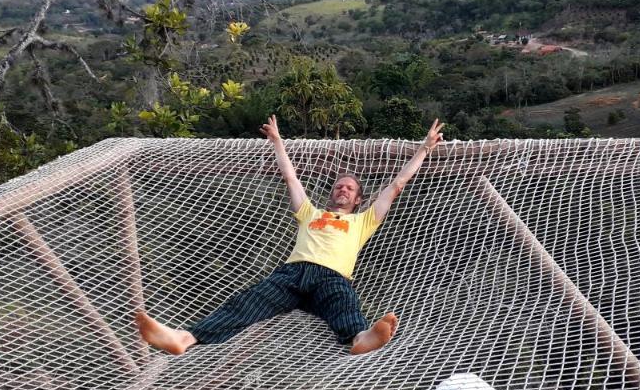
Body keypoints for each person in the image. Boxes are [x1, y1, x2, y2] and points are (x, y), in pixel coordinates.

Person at [135, 115, 444, 356]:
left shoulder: (364, 221)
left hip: (332, 276)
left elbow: (396, 185)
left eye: (350, 188)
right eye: (338, 185)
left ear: (358, 199)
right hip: (293, 273)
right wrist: (278, 142)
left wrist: (424, 149)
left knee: (343, 303)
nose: (343, 189)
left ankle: (361, 338)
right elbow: (290, 176)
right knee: (246, 303)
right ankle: (184, 338)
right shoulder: (310, 213)